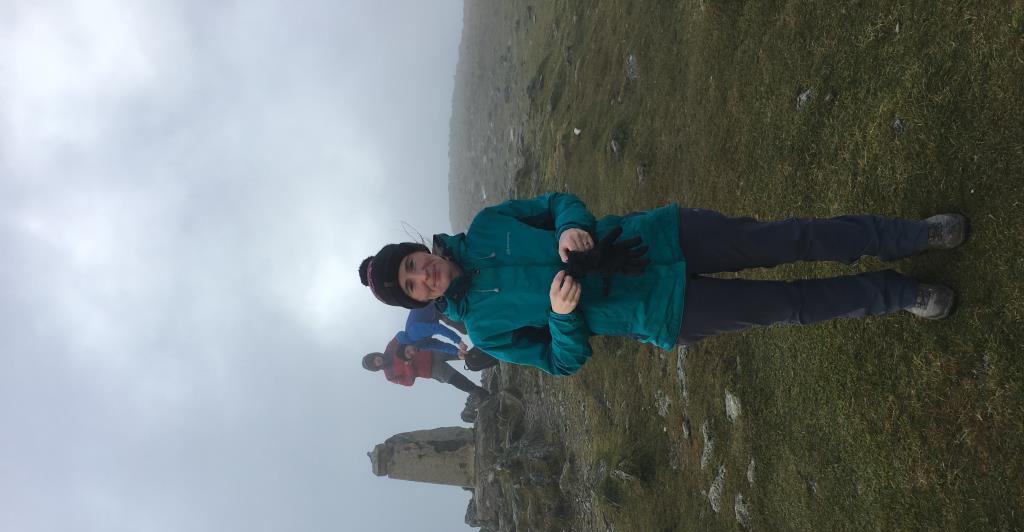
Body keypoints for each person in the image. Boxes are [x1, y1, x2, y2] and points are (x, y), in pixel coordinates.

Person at [358, 193, 965, 376]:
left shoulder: (489, 225)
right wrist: (564, 317)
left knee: (790, 239)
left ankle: (910, 234)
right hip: (662, 312)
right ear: (421, 300)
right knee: (789, 306)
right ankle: (899, 294)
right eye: (412, 286)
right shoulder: (485, 330)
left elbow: (560, 202)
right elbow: (561, 361)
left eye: (412, 264)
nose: (421, 276)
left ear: (419, 250)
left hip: (660, 238)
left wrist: (571, 228)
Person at [362, 334, 490, 400]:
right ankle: (481, 393)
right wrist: (408, 367)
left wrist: (414, 341)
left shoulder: (390, 347)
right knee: (456, 380)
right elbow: (408, 382)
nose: (377, 360)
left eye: (375, 358)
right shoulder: (390, 376)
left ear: (376, 354)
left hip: (431, 351)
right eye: (375, 363)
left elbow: (401, 335)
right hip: (432, 370)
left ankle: (490, 350)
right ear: (376, 368)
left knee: (465, 355)